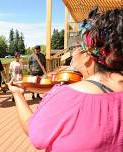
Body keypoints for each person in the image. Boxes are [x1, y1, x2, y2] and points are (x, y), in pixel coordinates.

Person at [8, 8, 123, 151]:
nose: (72, 53)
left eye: (75, 47)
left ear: (87, 57)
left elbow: (34, 132)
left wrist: (17, 94)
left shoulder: (66, 96)